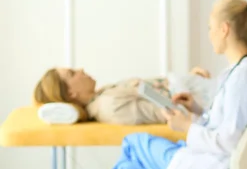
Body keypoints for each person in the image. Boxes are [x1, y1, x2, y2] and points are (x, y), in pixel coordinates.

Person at [104, 0, 247, 169]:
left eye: (210, 28)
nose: (209, 35)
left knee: (132, 142)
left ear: (224, 29)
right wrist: (196, 109)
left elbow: (228, 142)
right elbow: (225, 123)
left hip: (210, 167)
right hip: (203, 159)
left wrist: (186, 126)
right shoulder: (241, 73)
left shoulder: (243, 79)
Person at [33, 65, 213, 125]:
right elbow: (173, 111)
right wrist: (188, 87)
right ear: (71, 93)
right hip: (205, 105)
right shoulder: (110, 105)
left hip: (198, 92)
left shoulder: (103, 96)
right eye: (72, 73)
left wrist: (190, 78)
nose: (80, 70)